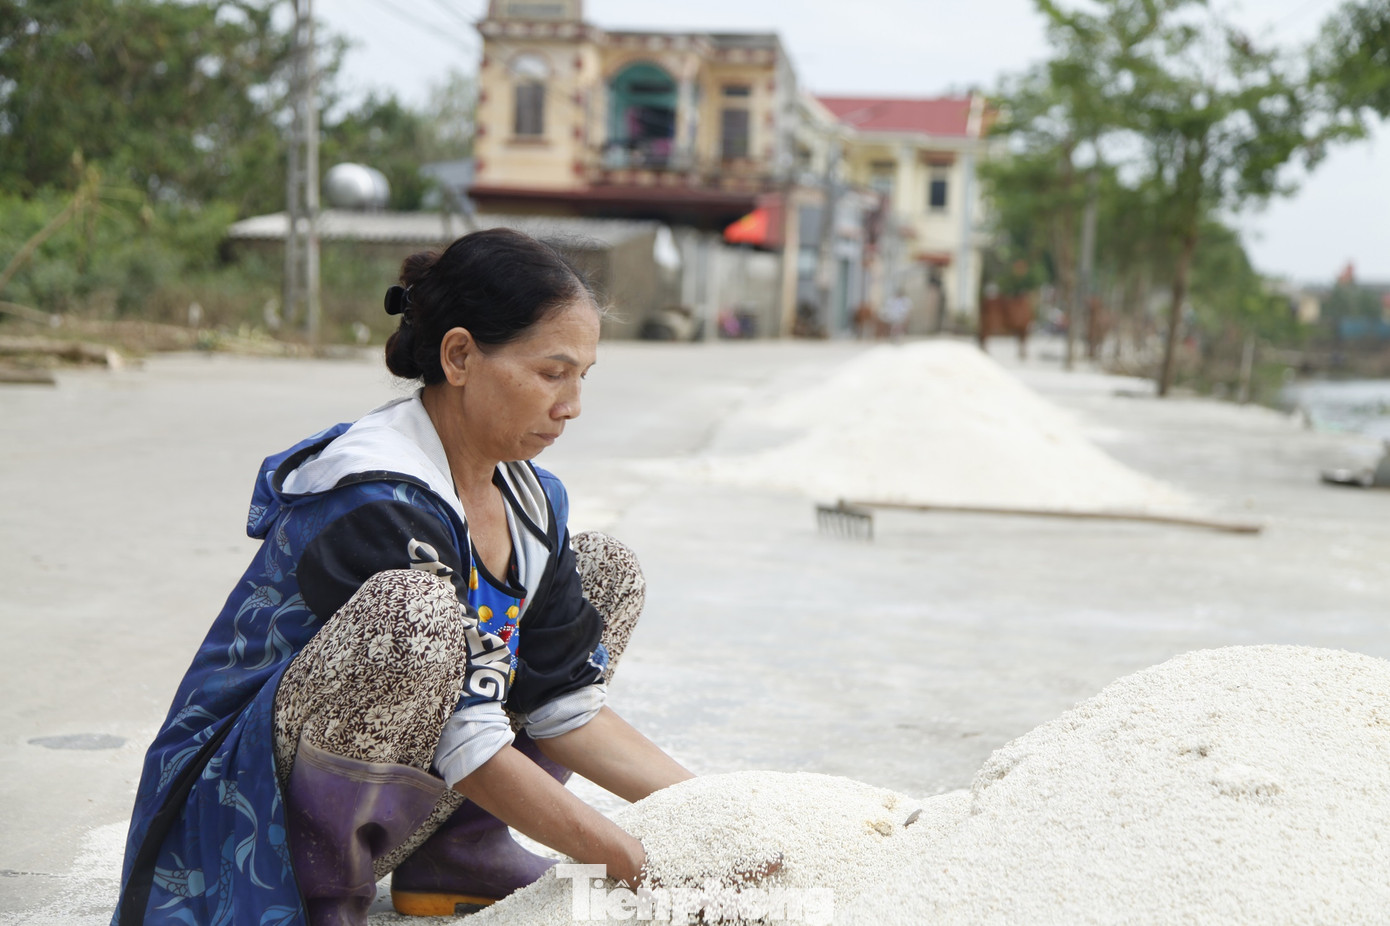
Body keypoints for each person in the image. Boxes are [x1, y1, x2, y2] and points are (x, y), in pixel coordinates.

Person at [112, 229, 697, 926]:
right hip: (241, 806)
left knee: (607, 569)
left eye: (583, 376)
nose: (571, 404)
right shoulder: (376, 498)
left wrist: (733, 813)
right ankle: (320, 896)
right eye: (551, 373)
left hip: (419, 781)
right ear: (459, 356)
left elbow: (566, 702)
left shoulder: (532, 499)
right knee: (415, 613)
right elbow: (466, 738)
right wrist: (640, 867)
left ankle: (459, 855)